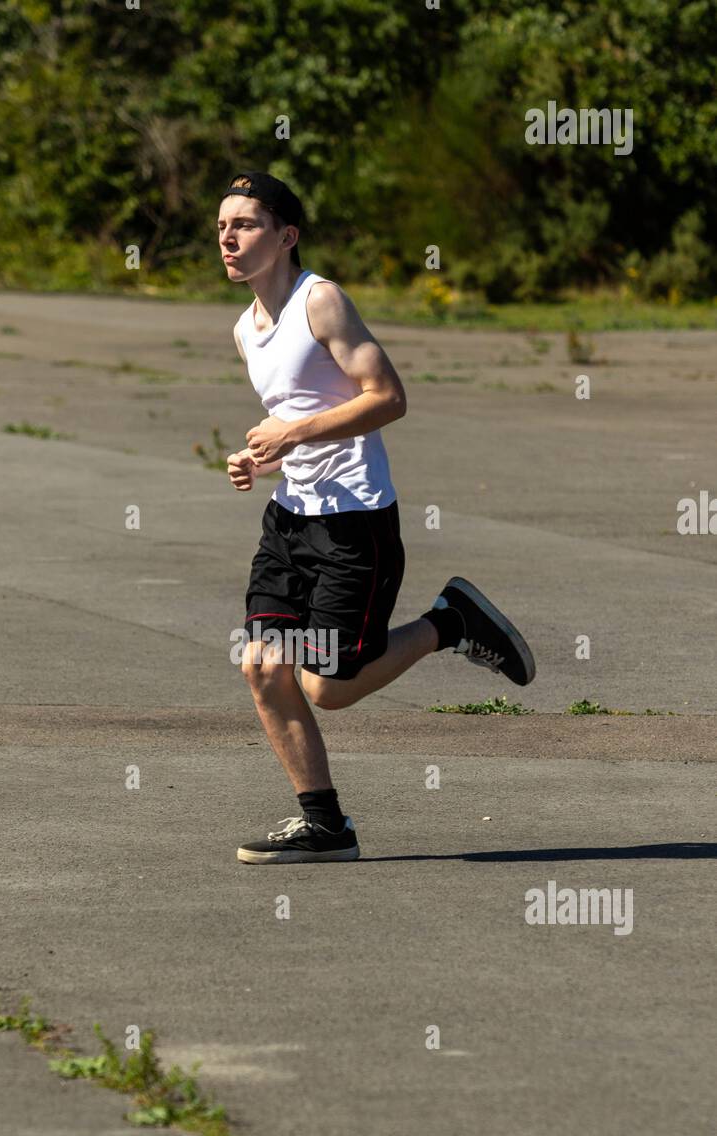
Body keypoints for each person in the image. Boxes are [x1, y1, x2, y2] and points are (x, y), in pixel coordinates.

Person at [218, 171, 535, 864]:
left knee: (327, 688)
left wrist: (293, 436)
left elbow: (387, 398)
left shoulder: (320, 302)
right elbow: (297, 414)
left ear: (286, 235)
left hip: (355, 523)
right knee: (263, 668)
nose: (228, 238)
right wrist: (261, 458)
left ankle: (450, 622)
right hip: (289, 520)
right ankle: (325, 825)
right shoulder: (245, 329)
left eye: (244, 224)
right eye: (221, 227)